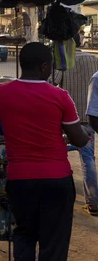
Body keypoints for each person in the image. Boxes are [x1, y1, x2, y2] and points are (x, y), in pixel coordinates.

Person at [0, 42, 89, 261]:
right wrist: (83, 130)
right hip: (57, 180)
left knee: (24, 236)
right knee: (54, 242)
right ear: (45, 66)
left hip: (20, 181)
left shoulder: (0, 92)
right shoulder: (60, 96)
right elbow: (80, 140)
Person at [52, 34, 98, 215]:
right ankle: (93, 201)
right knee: (88, 158)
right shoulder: (94, 59)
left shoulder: (62, 63)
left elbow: (52, 83)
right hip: (90, 117)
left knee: (58, 154)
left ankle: (59, 197)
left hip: (67, 120)